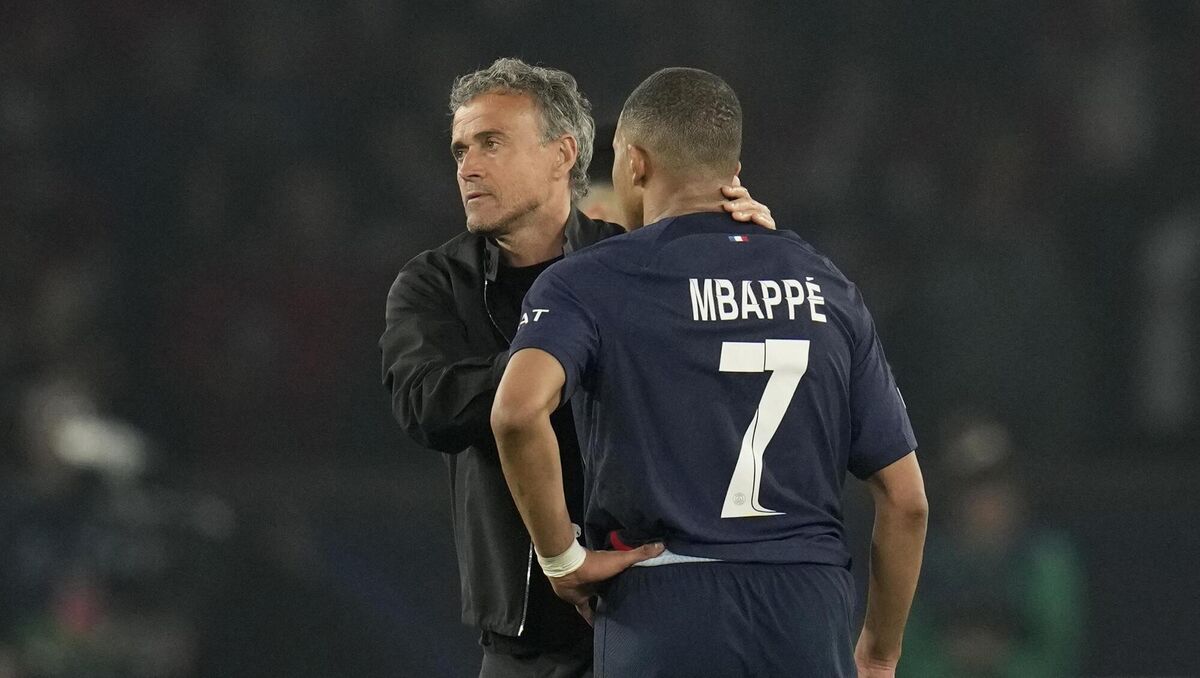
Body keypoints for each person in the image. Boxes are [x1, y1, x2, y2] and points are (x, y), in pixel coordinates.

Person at [491, 67, 928, 678]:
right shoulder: (826, 285)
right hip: (806, 607)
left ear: (635, 163)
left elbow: (516, 411)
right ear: (735, 173)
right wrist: (880, 652)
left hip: (665, 603)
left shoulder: (589, 282)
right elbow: (906, 501)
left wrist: (561, 557)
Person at [379, 58, 773, 678]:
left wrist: (746, 259)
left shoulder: (634, 259)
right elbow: (428, 407)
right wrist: (555, 359)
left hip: (656, 616)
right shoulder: (432, 284)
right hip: (524, 640)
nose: (467, 167)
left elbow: (730, 374)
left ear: (563, 154)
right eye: (459, 151)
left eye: (490, 143)